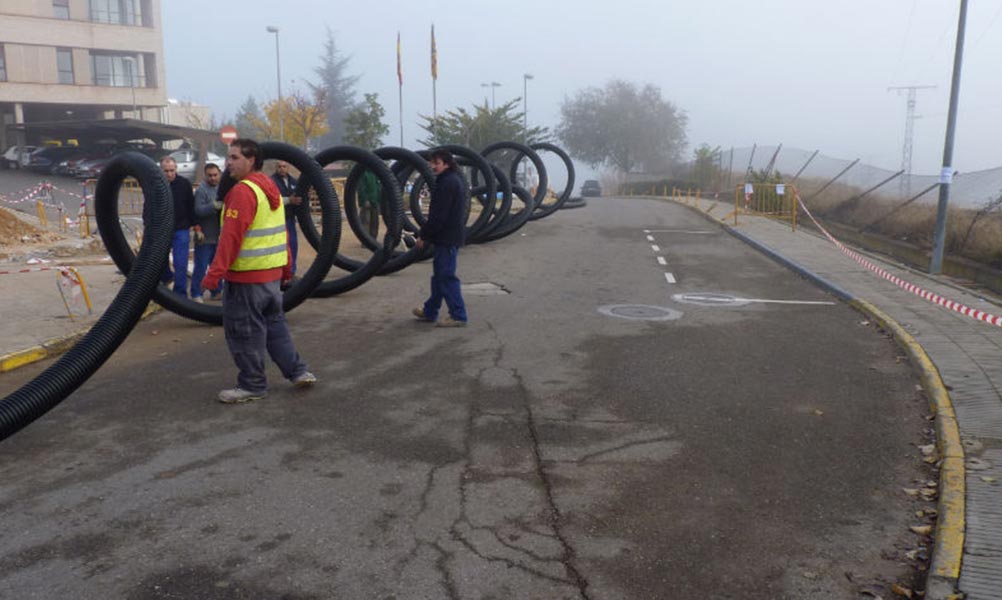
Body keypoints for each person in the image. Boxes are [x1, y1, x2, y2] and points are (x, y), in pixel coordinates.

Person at [201, 139, 316, 404]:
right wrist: (286, 269)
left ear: (251, 160)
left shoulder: (242, 192)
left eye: (234, 157)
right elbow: (282, 233)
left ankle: (252, 385)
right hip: (271, 278)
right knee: (275, 328)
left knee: (244, 332)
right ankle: (298, 372)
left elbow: (230, 238)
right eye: (228, 157)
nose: (228, 162)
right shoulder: (270, 188)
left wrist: (212, 277)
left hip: (246, 280)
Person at [412, 148, 468, 327]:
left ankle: (458, 315)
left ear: (447, 163)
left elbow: (438, 216)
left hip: (447, 237)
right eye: (431, 162)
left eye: (437, 163)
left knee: (446, 277)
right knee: (439, 277)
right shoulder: (450, 180)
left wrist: (424, 235)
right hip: (447, 236)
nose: (432, 166)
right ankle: (430, 311)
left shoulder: (447, 183)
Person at [155, 156, 195, 297]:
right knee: (159, 261)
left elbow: (191, 205)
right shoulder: (155, 185)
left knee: (181, 263)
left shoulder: (184, 184)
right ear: (161, 170)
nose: (169, 174)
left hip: (181, 229)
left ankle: (180, 295)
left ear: (176, 169)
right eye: (166, 171)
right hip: (161, 229)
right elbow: (149, 206)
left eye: (172, 170)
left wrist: (195, 225)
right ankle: (166, 279)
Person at [190, 162, 223, 302]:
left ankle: (217, 291)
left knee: (216, 266)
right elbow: (198, 210)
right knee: (201, 267)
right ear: (205, 175)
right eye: (210, 175)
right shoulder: (202, 190)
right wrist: (213, 206)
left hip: (218, 236)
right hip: (204, 236)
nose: (213, 178)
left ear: (219, 174)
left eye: (215, 175)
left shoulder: (221, 188)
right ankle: (196, 293)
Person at [271, 160, 302, 277]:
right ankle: (279, 274)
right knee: (279, 247)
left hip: (290, 219)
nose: (282, 169)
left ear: (288, 167)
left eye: (284, 166)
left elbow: (299, 197)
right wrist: (289, 200)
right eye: (279, 166)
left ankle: (291, 272)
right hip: (276, 220)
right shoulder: (271, 182)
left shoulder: (294, 181)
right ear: (276, 168)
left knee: (292, 245)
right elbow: (270, 199)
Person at [358, 169, 381, 239]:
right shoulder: (363, 173)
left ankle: (373, 238)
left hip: (375, 201)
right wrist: (365, 200)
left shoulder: (375, 173)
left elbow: (378, 186)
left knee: (375, 221)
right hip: (367, 201)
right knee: (366, 221)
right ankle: (366, 240)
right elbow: (361, 188)